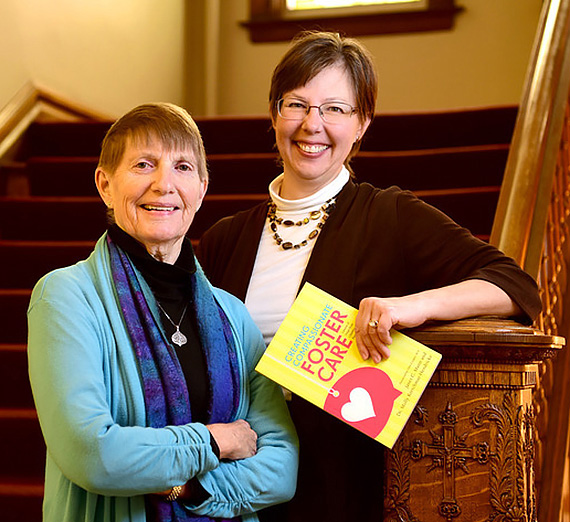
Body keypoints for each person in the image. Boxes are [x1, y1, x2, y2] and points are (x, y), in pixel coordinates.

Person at [196, 31, 542, 522]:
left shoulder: (388, 215)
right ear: (274, 114)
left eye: (335, 109)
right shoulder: (224, 238)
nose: (312, 124)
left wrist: (411, 306)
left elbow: (514, 285)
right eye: (297, 104)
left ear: (361, 125)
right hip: (235, 486)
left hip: (339, 489)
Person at [27, 102, 298, 522]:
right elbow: (92, 453)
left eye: (183, 167)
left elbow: (281, 468)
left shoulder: (233, 316)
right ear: (104, 184)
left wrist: (189, 486)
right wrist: (211, 443)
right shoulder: (64, 297)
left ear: (202, 189)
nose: (163, 184)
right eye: (143, 164)